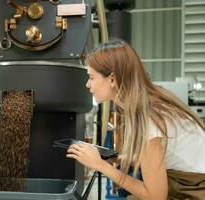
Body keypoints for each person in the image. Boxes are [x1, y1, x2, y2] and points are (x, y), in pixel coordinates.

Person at [67, 39, 205, 199]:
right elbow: (169, 157)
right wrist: (120, 158)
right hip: (187, 180)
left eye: (91, 77)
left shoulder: (147, 117)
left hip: (195, 188)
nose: (87, 84)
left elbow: (156, 196)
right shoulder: (148, 101)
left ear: (112, 79)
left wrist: (100, 165)